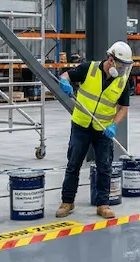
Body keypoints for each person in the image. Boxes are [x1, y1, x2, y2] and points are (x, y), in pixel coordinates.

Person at [55, 41, 134, 220]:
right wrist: (64, 82)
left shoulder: (122, 81)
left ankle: (103, 205)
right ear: (111, 59)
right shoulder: (89, 68)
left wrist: (114, 125)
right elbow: (65, 75)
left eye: (125, 66)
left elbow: (123, 108)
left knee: (104, 167)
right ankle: (67, 201)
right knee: (73, 164)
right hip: (81, 125)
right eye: (120, 65)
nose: (122, 69)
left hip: (103, 130)